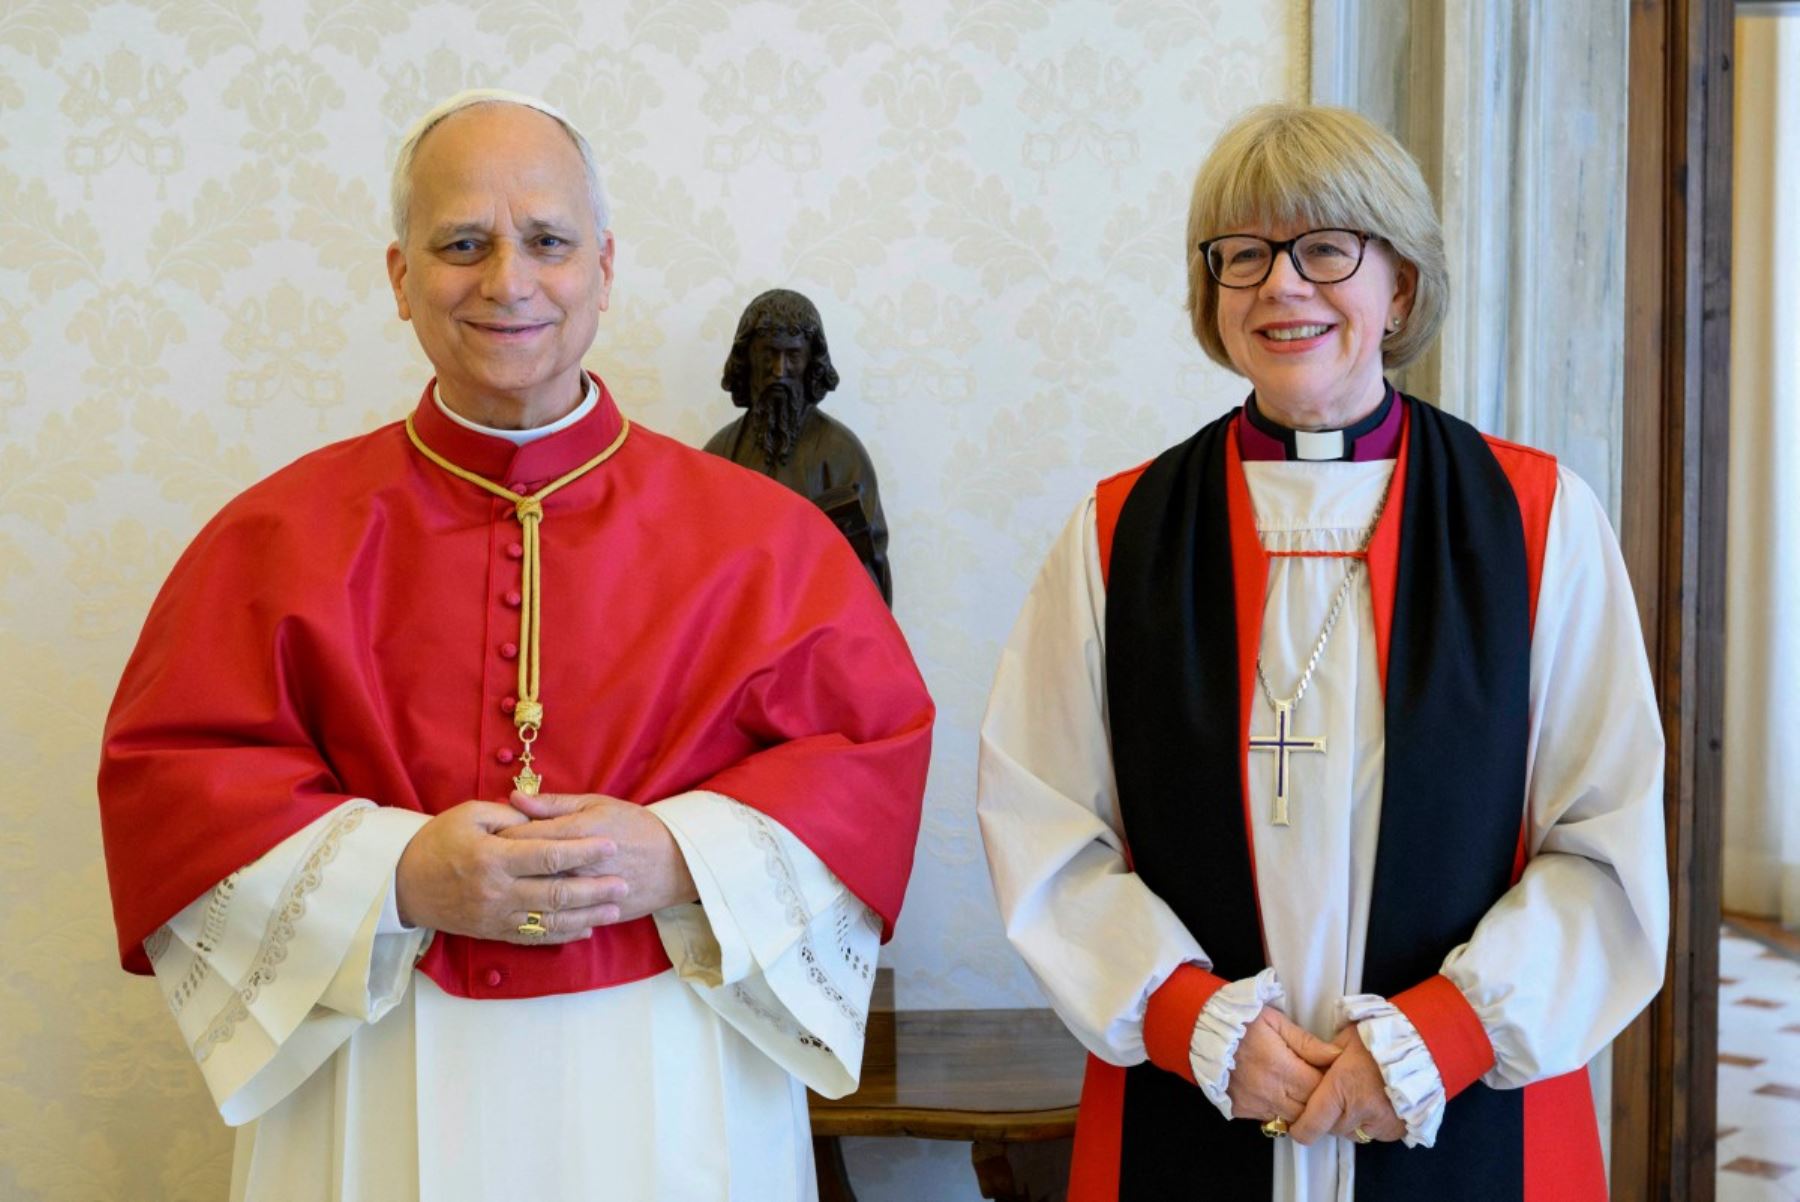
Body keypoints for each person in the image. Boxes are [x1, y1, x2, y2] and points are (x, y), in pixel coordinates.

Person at [97, 89, 933, 1202]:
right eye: (461, 243)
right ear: (400, 276)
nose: (508, 279)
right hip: (381, 1058)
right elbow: (174, 788)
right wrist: (397, 872)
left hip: (669, 1061)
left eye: (547, 240)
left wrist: (674, 853)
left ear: (604, 266)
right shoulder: (274, 537)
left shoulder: (765, 536)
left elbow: (866, 763)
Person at [977, 104, 1667, 1201]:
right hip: (1194, 1101)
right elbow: (1045, 821)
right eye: (1243, 254)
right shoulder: (1120, 533)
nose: (1281, 287)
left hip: (1461, 1111)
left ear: (1399, 285)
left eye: (1326, 248)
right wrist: (1186, 1012)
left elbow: (1605, 838)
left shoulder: (1537, 521)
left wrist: (1442, 1037)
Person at [705, 289, 893, 604]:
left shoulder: (843, 455)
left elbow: (872, 569)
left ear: (811, 362)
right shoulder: (719, 453)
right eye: (769, 354)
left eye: (792, 356)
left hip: (818, 628)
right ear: (748, 358)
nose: (779, 371)